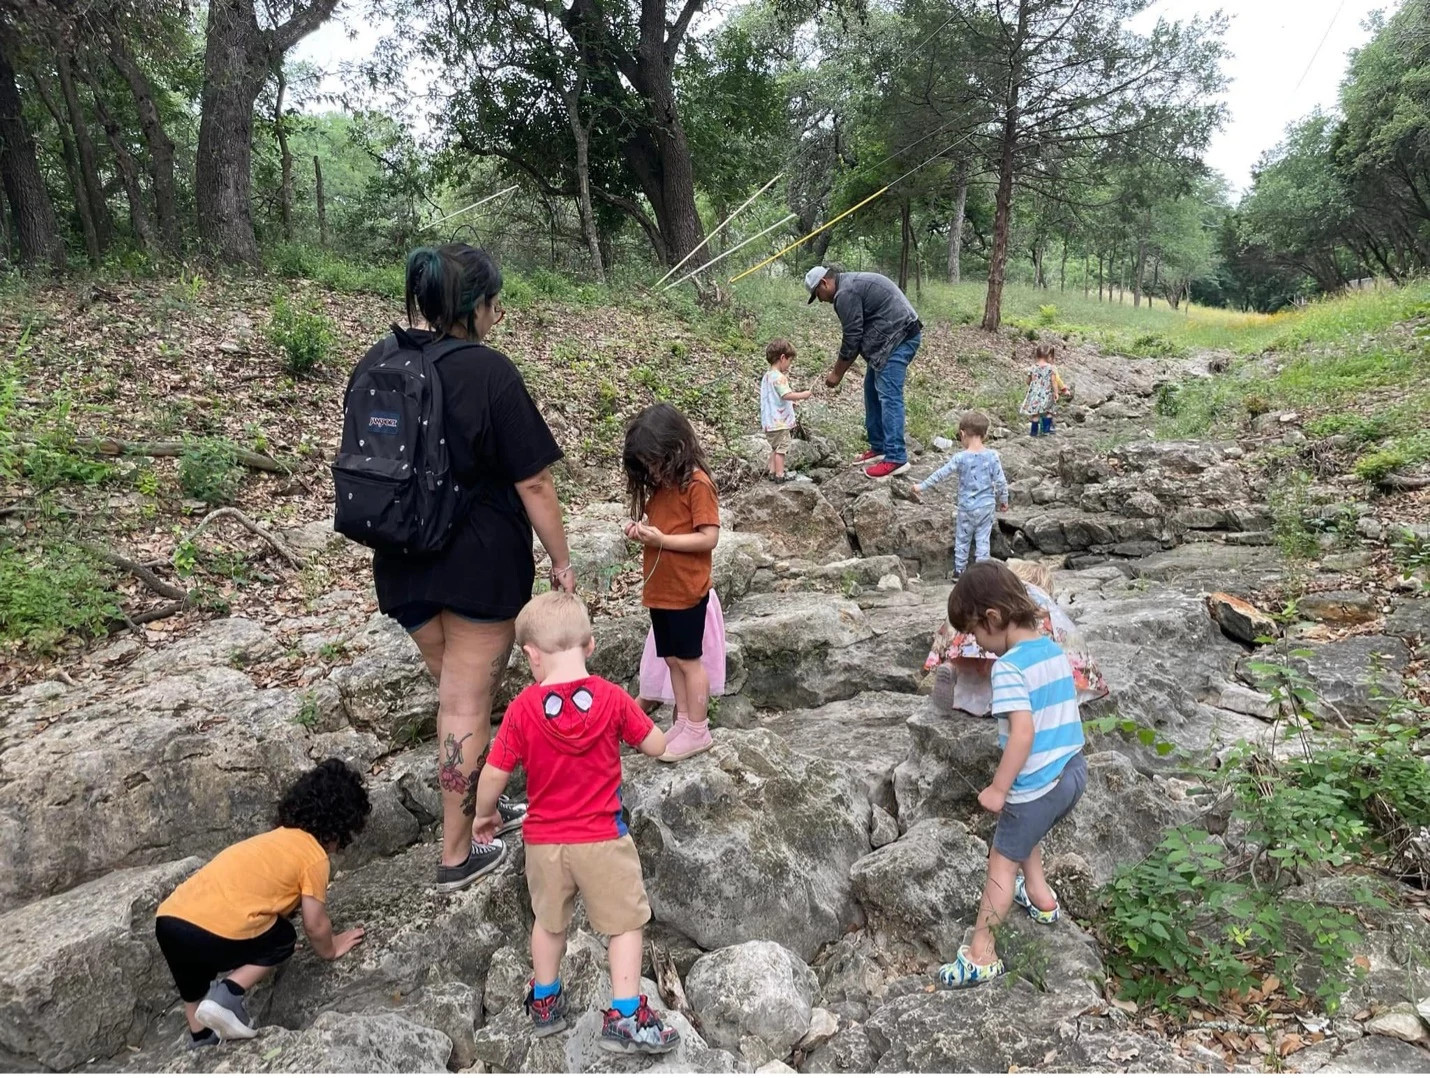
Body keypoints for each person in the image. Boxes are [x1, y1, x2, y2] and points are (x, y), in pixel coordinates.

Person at [348, 244, 576, 892]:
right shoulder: (488, 372)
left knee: (455, 695)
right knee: (467, 703)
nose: (498, 314)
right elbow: (533, 481)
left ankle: (480, 806)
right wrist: (561, 560)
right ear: (475, 307)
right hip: (477, 565)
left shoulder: (380, 362)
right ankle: (456, 853)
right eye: (493, 303)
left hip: (401, 560)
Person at [471, 592, 681, 1056]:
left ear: (531, 656)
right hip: (602, 839)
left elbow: (494, 771)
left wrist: (485, 815)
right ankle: (626, 1015)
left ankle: (545, 1002)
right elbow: (656, 745)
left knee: (548, 924)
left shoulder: (524, 708)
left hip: (544, 843)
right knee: (625, 924)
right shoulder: (611, 697)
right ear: (589, 645)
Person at [936, 561, 1087, 989]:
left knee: (1001, 861)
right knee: (1026, 830)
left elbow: (1022, 734)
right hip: (1073, 772)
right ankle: (1041, 897)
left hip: (1034, 784)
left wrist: (999, 788)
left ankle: (982, 952)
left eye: (975, 633)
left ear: (993, 619)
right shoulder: (1053, 650)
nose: (979, 645)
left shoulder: (1009, 668)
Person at [154, 759, 371, 1047]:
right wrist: (331, 948)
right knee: (281, 938)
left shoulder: (272, 839)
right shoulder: (314, 856)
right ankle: (227, 994)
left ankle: (201, 1036)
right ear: (340, 828)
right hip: (214, 931)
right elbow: (314, 923)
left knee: (192, 983)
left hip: (170, 918)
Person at [622, 403, 721, 762]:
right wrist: (640, 531)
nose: (651, 470)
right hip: (660, 592)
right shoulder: (661, 487)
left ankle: (699, 728)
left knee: (690, 661)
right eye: (645, 464)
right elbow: (660, 529)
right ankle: (683, 721)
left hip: (686, 591)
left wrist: (662, 540)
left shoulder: (697, 484)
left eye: (655, 461)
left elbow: (708, 538)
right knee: (673, 660)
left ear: (675, 448)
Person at [924, 559, 1108, 716]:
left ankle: (953, 666)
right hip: (1008, 654)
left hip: (968, 634)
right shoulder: (1034, 601)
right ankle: (998, 698)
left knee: (974, 660)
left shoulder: (982, 594)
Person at [805, 265, 922, 479]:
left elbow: (852, 338)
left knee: (889, 396)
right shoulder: (848, 285)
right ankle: (879, 447)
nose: (821, 300)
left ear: (824, 283)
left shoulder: (844, 294)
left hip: (899, 336)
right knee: (871, 390)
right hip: (887, 339)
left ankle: (896, 458)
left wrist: (836, 374)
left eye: (818, 295)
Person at [910, 411, 1009, 576]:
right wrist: (1003, 500)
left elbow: (941, 474)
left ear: (962, 434)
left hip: (967, 507)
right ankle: (982, 574)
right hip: (986, 506)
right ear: (984, 435)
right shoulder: (992, 456)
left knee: (963, 539)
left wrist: (922, 486)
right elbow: (1000, 481)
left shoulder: (960, 458)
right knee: (983, 541)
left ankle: (959, 572)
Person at [636, 589, 726, 714]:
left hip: (689, 599)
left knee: (688, 677)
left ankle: (688, 728)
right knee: (652, 689)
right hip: (669, 600)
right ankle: (619, 726)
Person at [760, 338, 812, 482]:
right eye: (789, 361)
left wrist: (791, 403)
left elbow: (776, 398)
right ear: (782, 358)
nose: (789, 365)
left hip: (769, 421)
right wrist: (803, 395)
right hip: (780, 423)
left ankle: (772, 472)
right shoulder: (779, 377)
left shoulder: (767, 377)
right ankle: (780, 475)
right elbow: (786, 394)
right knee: (782, 448)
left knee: (775, 447)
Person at [1020, 343, 1071, 437]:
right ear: (1049, 356)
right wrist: (1056, 392)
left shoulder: (1033, 367)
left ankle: (1033, 432)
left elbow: (1028, 381)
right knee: (1049, 412)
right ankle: (1046, 430)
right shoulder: (1051, 368)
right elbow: (1054, 381)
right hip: (1047, 394)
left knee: (1035, 415)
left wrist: (1034, 385)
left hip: (1034, 394)